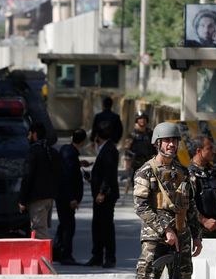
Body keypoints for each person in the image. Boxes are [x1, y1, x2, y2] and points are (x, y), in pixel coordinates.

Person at [134, 122, 204, 279]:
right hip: (155, 237)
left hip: (181, 235)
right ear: (157, 143)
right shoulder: (147, 171)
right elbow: (142, 206)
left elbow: (190, 205)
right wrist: (165, 229)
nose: (172, 144)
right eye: (167, 141)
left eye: (174, 141)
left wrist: (196, 235)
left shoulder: (182, 172)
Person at [84, 122, 119, 268]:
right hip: (101, 194)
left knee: (105, 227)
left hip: (105, 196)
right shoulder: (105, 149)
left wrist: (102, 192)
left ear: (97, 136)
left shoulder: (109, 150)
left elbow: (109, 175)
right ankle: (97, 255)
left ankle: (108, 257)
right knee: (98, 226)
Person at [18, 122, 58, 239]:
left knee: (40, 232)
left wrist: (22, 200)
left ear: (34, 134)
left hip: (37, 199)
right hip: (49, 198)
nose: (27, 137)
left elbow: (28, 177)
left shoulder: (33, 152)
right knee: (42, 229)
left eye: (29, 134)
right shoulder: (51, 151)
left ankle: (44, 257)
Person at [54, 129, 88, 265]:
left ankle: (57, 251)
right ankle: (66, 255)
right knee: (68, 226)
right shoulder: (70, 153)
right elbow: (67, 177)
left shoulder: (67, 150)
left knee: (64, 224)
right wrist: (72, 198)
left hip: (62, 195)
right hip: (66, 197)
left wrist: (80, 164)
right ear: (83, 141)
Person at [188, 136, 216, 239]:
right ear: (198, 151)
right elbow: (186, 205)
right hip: (198, 233)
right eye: (209, 148)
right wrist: (204, 221)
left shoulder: (214, 172)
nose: (213, 151)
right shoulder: (188, 175)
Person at [123, 112, 155, 176]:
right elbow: (127, 149)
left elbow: (154, 147)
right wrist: (127, 163)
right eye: (140, 119)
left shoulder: (150, 134)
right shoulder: (132, 135)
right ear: (137, 120)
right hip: (135, 163)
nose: (142, 120)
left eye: (144, 119)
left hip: (148, 162)